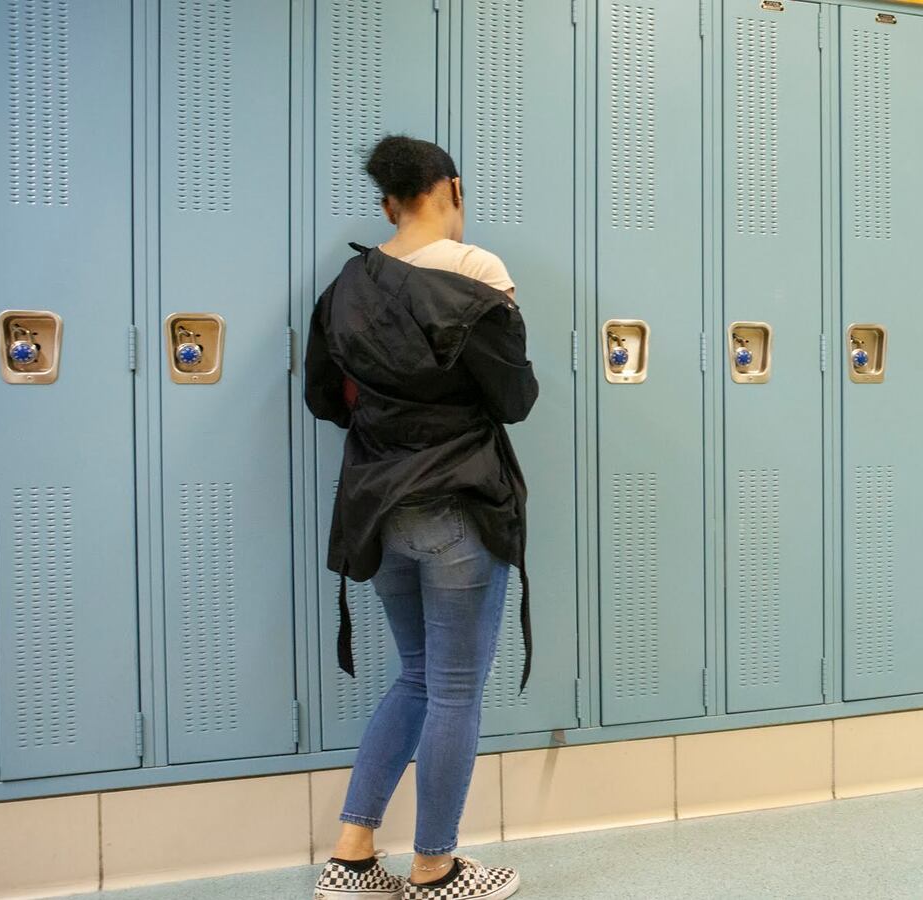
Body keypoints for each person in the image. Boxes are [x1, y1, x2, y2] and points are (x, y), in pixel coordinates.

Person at [304, 135, 536, 900]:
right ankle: (435, 866)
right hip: (460, 514)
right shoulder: (478, 274)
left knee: (416, 678)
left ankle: (352, 853)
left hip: (379, 514)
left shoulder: (344, 287)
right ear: (452, 191)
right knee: (456, 690)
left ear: (386, 204)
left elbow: (321, 399)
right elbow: (515, 399)